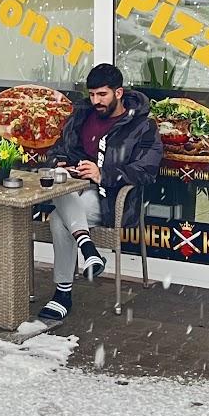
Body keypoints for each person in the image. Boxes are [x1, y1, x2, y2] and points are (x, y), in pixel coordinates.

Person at [38, 63, 162, 323]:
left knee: (57, 220)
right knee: (59, 182)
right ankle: (88, 250)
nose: (96, 101)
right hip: (74, 187)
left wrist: (102, 174)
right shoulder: (82, 114)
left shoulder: (141, 125)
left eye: (102, 95)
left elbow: (147, 170)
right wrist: (62, 163)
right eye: (92, 94)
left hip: (111, 196)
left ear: (118, 93)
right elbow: (59, 148)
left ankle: (63, 294)